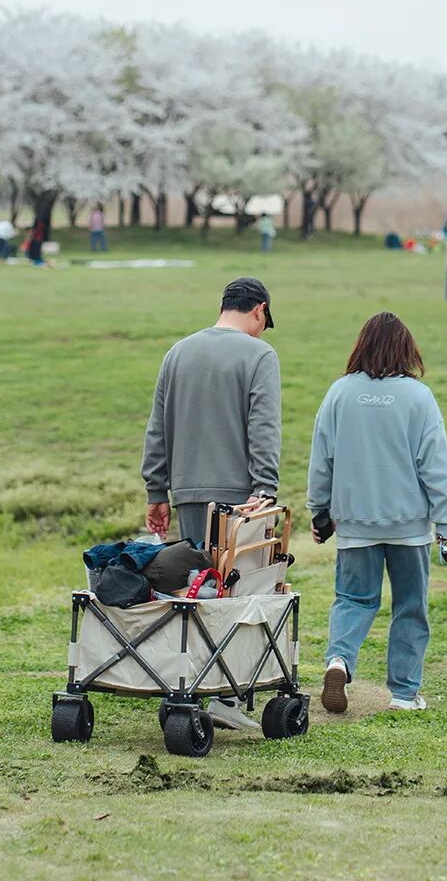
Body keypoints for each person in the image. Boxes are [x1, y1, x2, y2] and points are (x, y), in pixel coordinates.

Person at [141, 277, 280, 731]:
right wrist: (266, 487)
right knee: (238, 593)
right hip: (242, 497)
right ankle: (223, 693)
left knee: (197, 590)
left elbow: (157, 426)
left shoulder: (177, 352)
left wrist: (156, 491)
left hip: (187, 494)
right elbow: (263, 426)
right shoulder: (260, 355)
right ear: (258, 311)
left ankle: (190, 684)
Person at [308, 312, 447, 714]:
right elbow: (436, 464)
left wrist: (318, 509)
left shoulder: (339, 393)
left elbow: (322, 458)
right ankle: (404, 695)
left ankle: (339, 661)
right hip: (410, 526)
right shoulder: (419, 397)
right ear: (406, 350)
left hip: (355, 521)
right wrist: (445, 521)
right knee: (410, 605)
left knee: (353, 599)